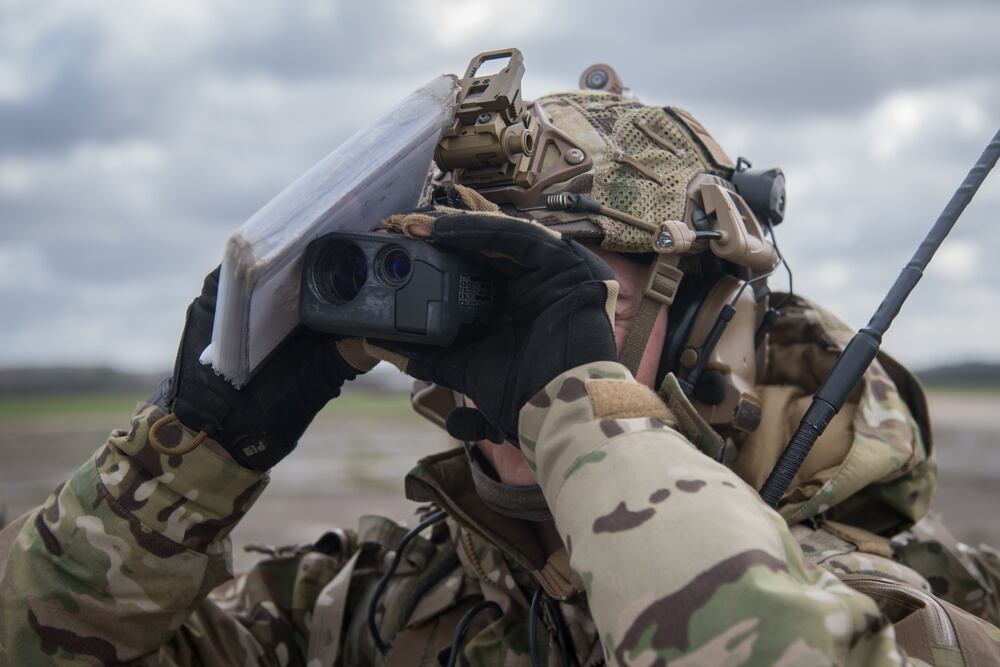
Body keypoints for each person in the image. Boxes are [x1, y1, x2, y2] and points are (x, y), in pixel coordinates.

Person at [2, 61, 999, 666]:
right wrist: (193, 447)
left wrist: (585, 418)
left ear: (705, 319)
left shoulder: (899, 602)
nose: (516, 356)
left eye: (578, 305)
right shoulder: (387, 607)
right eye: (483, 295)